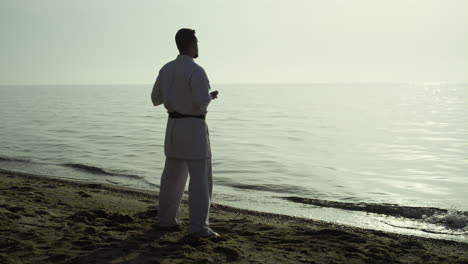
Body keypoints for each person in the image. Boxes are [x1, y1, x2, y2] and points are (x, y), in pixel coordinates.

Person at [151, 28, 219, 238]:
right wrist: (209, 97)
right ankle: (198, 227)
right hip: (193, 127)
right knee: (200, 180)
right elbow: (200, 102)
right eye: (196, 43)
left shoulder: (166, 69)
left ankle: (167, 220)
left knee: (172, 178)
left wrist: (176, 99)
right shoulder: (196, 70)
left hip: (173, 127)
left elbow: (155, 98)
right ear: (191, 44)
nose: (198, 47)